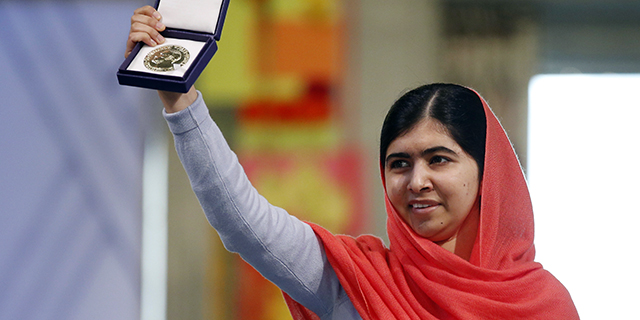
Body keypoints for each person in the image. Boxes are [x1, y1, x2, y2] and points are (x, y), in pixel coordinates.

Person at [127, 6, 579, 319]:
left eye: (439, 159)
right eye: (399, 164)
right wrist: (179, 97)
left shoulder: (543, 305)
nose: (417, 180)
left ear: (488, 175)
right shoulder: (355, 280)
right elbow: (243, 220)